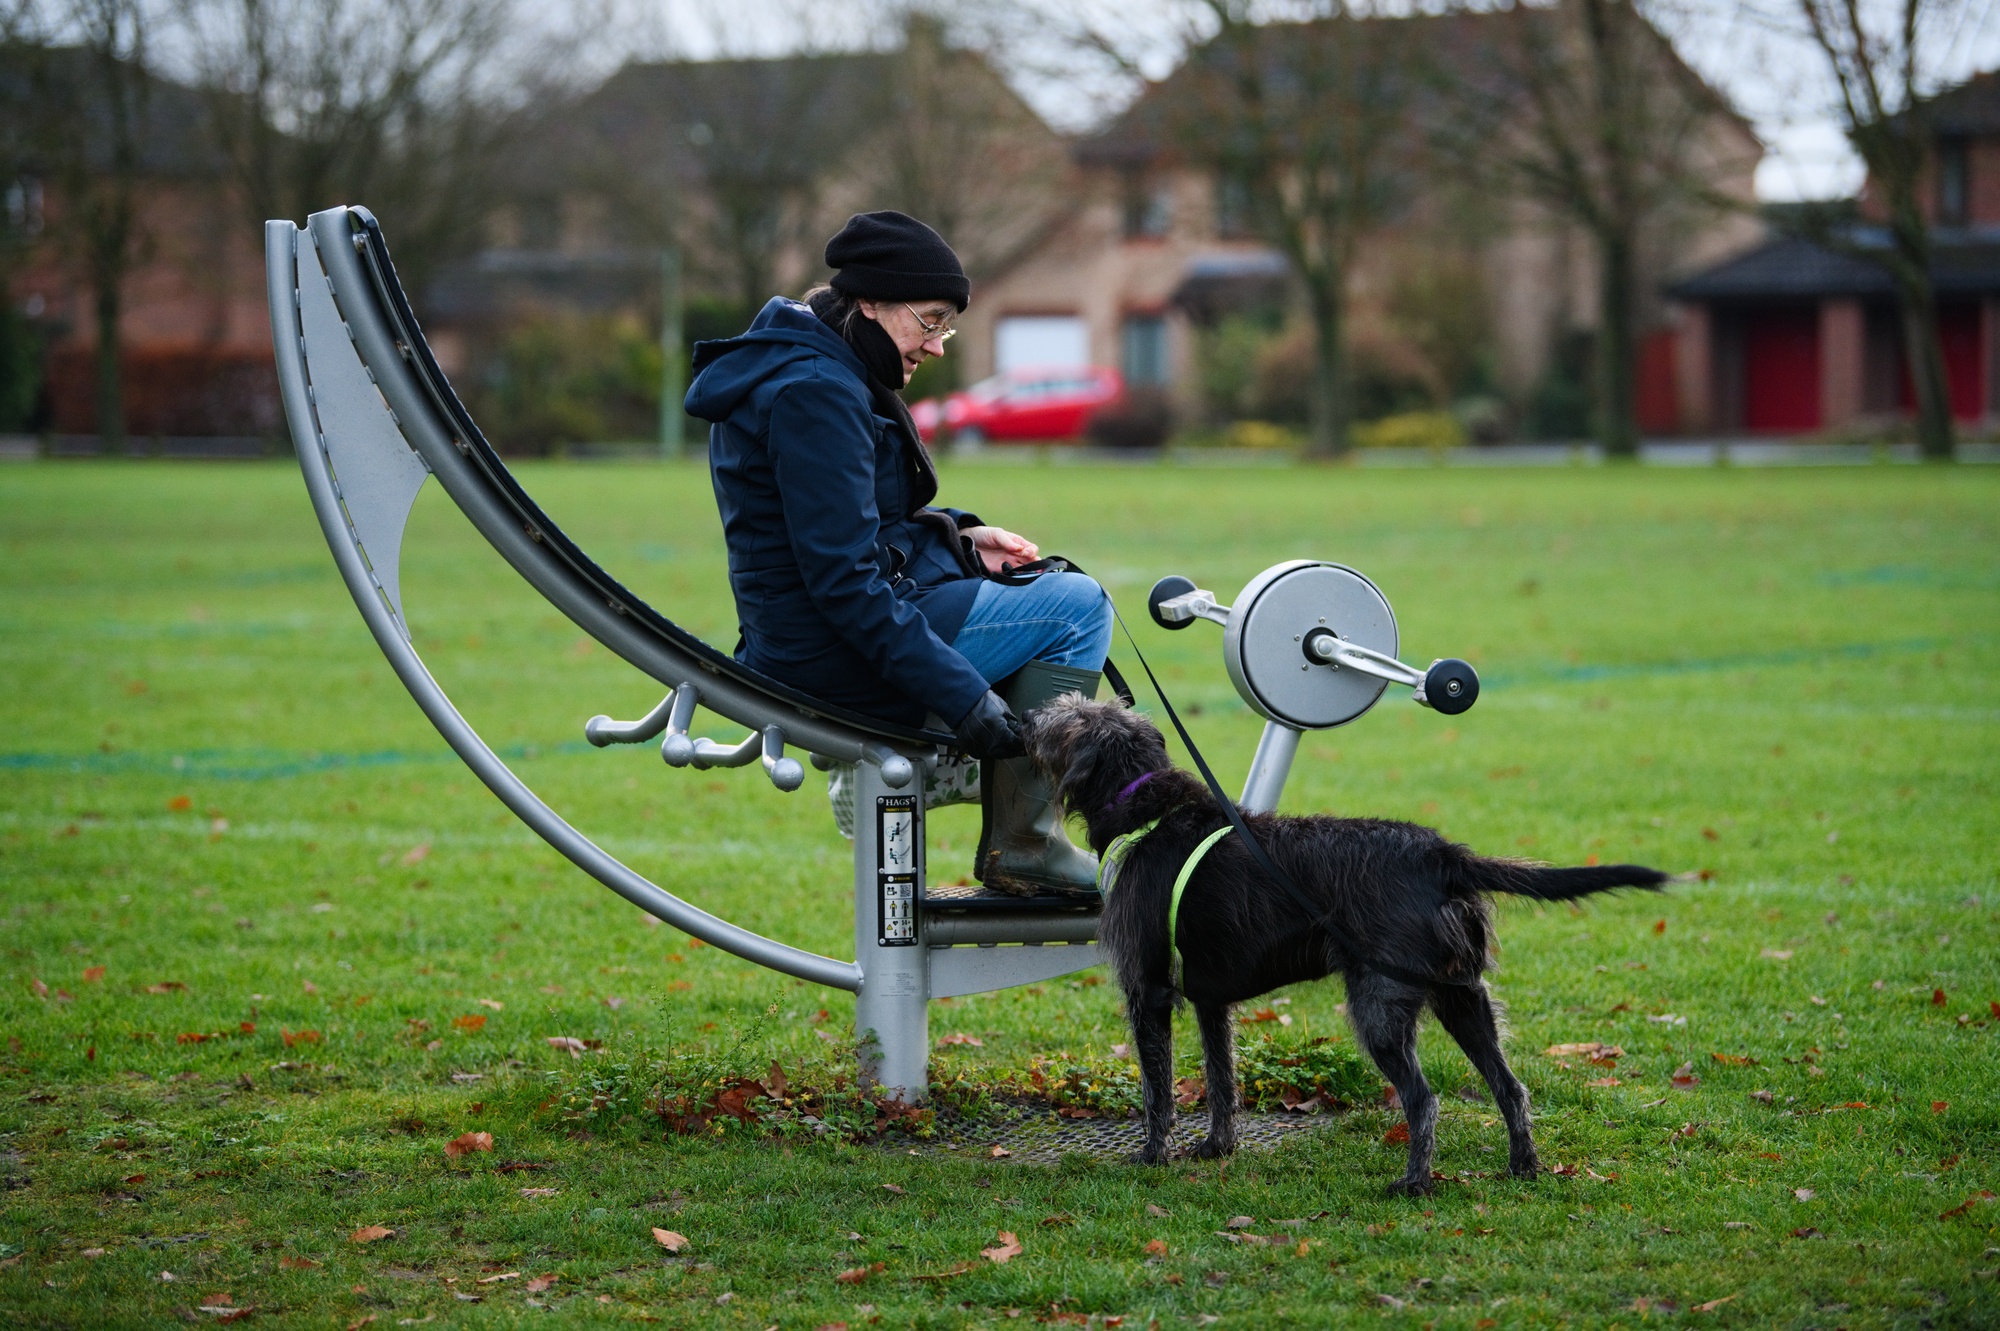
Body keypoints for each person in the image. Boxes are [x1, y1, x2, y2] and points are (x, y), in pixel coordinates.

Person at [685, 210, 1112, 894]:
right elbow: (845, 581)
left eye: (947, 327)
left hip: (807, 639)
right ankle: (1021, 839)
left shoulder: (818, 366)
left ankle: (956, 772)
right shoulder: (816, 391)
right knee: (1077, 608)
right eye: (930, 321)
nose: (937, 346)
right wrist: (963, 698)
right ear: (869, 304)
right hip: (823, 657)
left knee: (1048, 590)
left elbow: (858, 523)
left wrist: (959, 538)